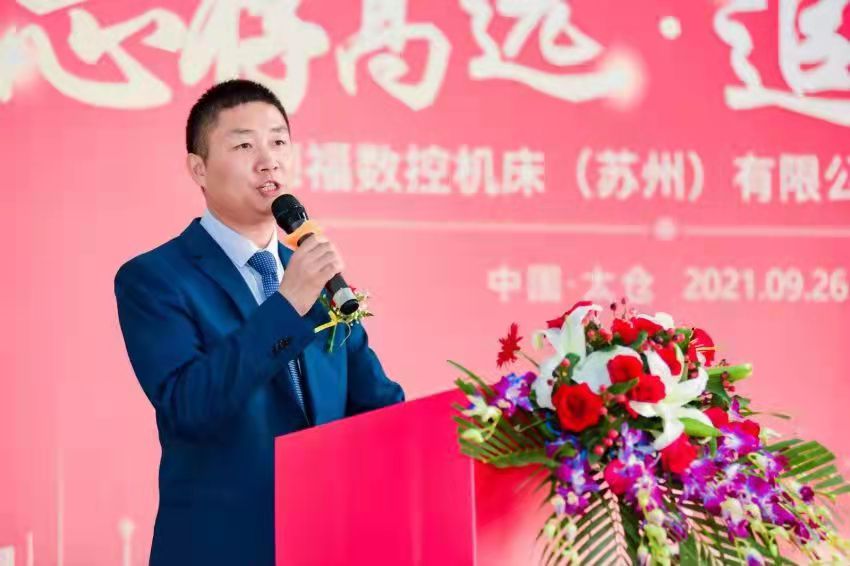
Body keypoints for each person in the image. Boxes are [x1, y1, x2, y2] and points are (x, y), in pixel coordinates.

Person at [114, 79, 405, 565]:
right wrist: (286, 307)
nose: (268, 160)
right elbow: (190, 405)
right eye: (245, 145)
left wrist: (486, 432)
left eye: (278, 141)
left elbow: (379, 409)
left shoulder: (318, 278)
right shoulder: (155, 278)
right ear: (198, 168)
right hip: (218, 549)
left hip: (324, 547)